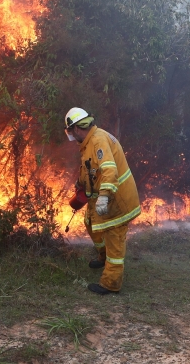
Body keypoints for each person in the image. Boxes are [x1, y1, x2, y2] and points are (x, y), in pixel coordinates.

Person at [64, 107, 142, 295]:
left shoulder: (98, 140)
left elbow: (109, 171)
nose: (72, 136)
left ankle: (111, 283)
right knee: (90, 223)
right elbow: (91, 169)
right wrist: (81, 184)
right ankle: (103, 255)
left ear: (76, 128)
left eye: (71, 131)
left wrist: (104, 196)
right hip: (103, 198)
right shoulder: (89, 141)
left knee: (114, 239)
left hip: (117, 200)